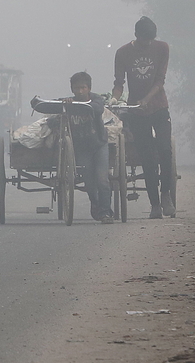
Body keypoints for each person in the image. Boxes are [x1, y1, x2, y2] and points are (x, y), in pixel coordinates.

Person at [112, 16, 174, 219]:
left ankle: (166, 195)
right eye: (144, 40)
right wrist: (115, 98)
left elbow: (160, 80)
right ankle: (154, 204)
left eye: (150, 40)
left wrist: (147, 98)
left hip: (159, 107)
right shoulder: (122, 53)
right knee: (147, 158)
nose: (147, 43)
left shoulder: (162, 48)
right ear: (136, 36)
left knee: (165, 150)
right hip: (136, 111)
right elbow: (119, 82)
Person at [32, 72, 114, 223]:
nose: (80, 91)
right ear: (72, 89)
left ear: (89, 88)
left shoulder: (97, 100)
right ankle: (96, 204)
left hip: (99, 145)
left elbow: (97, 109)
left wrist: (77, 106)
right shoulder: (69, 102)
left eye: (83, 88)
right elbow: (46, 108)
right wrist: (64, 105)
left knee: (103, 180)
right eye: (77, 88)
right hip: (81, 148)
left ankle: (105, 212)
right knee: (89, 181)